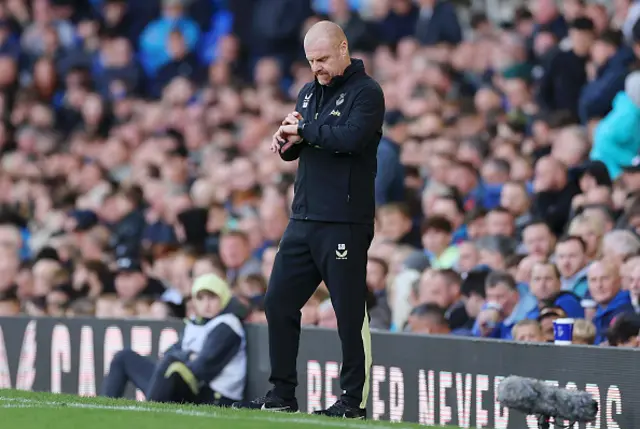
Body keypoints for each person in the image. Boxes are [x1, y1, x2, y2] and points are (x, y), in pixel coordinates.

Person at [233, 21, 385, 419]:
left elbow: (350, 139)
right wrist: (286, 141)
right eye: (310, 60)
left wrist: (306, 130)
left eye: (322, 58)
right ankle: (281, 394)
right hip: (303, 217)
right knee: (278, 302)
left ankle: (354, 401)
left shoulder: (366, 93)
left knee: (349, 312)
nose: (316, 67)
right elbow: (303, 145)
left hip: (344, 220)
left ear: (343, 48)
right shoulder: (309, 92)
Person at [101, 274, 246, 405]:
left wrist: (181, 359)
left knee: (171, 365)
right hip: (188, 386)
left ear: (224, 298)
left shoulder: (227, 325)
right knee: (124, 357)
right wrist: (188, 356)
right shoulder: (196, 322)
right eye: (200, 298)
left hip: (213, 395)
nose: (206, 304)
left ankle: (148, 413)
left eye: (212, 298)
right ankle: (103, 410)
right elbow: (171, 352)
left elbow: (203, 368)